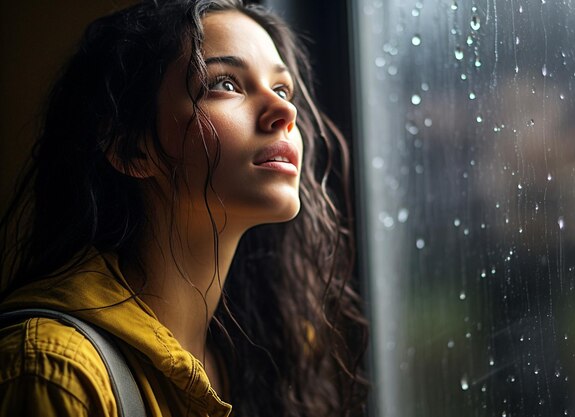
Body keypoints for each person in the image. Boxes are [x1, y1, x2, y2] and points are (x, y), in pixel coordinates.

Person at [0, 1, 368, 416]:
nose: (286, 111)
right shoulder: (56, 374)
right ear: (130, 147)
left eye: (283, 90)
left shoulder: (271, 350)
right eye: (225, 84)